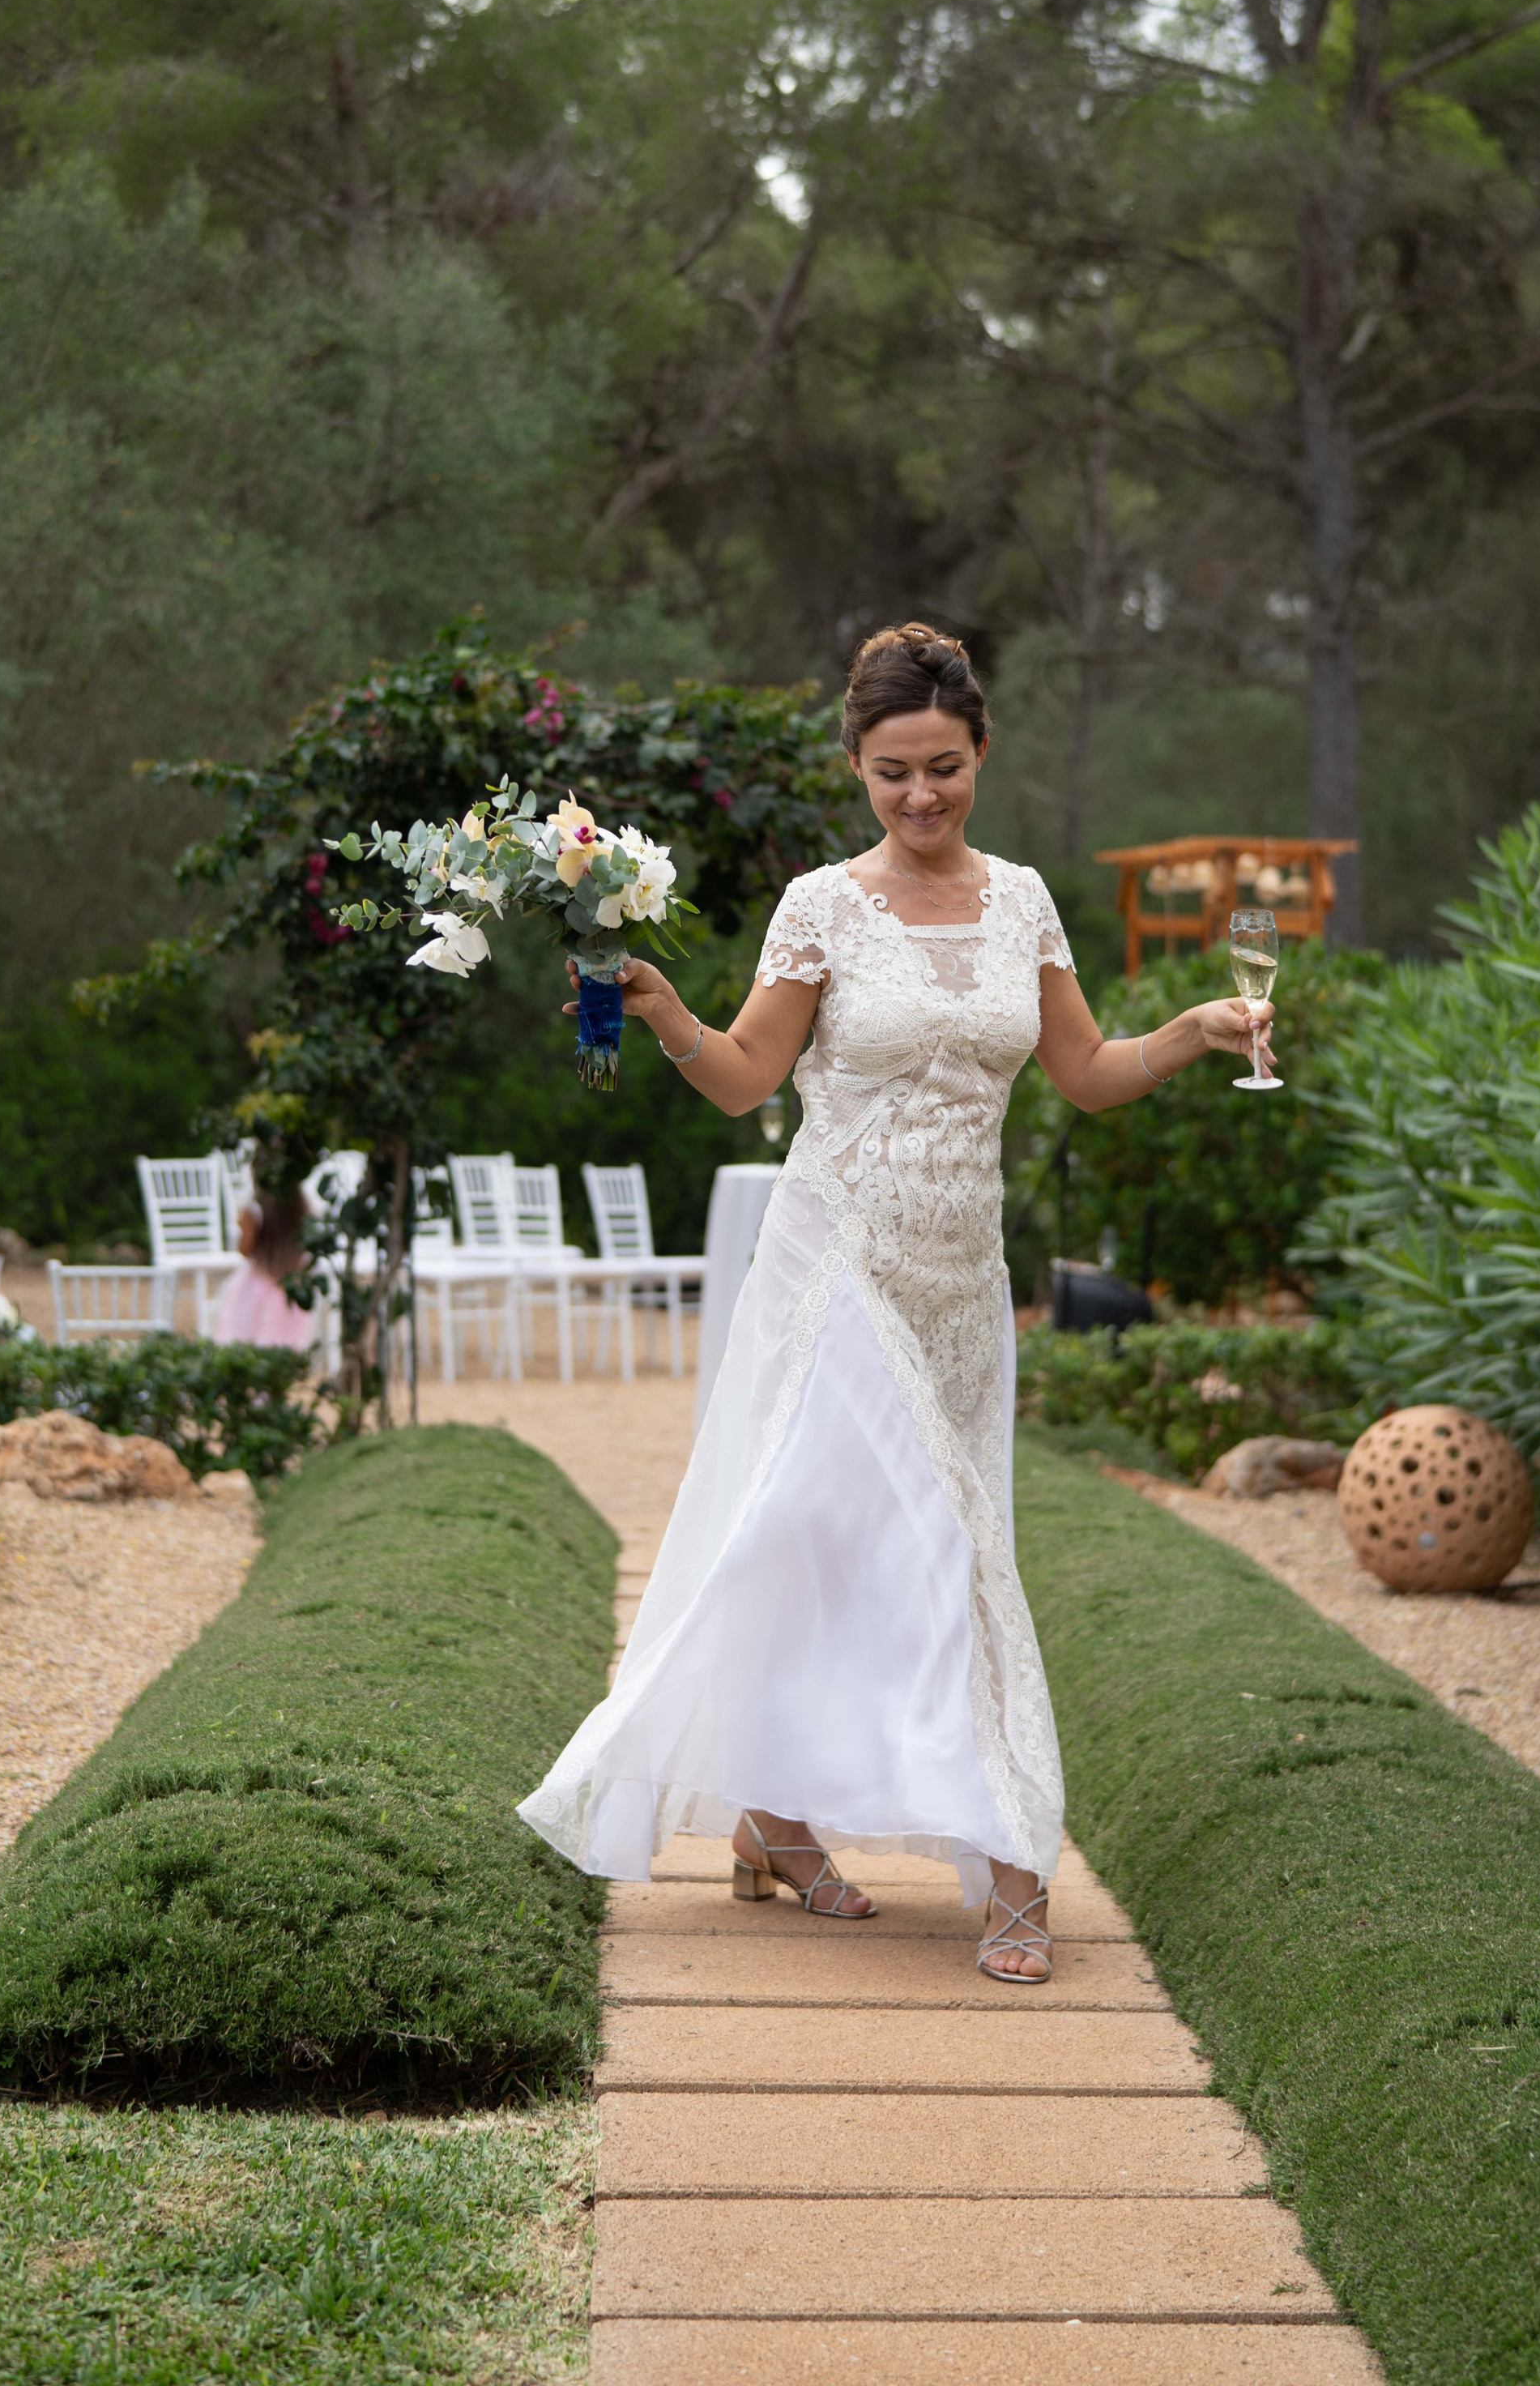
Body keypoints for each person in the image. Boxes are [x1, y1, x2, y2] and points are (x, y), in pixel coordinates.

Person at [516, 621, 1272, 1983]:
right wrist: (670, 1011)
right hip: (838, 1251)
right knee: (857, 1534)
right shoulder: (820, 904)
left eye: (942, 768)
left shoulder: (1026, 902)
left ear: (982, 749)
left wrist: (1197, 1032)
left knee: (936, 1538)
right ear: (856, 771)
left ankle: (817, 1824)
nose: (919, 798)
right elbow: (751, 1078)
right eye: (889, 775)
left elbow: (1088, 1071)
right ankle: (967, 1857)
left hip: (959, 1276)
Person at [211, 1185, 318, 1350]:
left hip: (257, 1287)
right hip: (291, 1289)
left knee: (246, 1340)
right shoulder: (304, 1205)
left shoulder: (254, 1209)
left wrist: (244, 1224)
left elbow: (244, 1250)